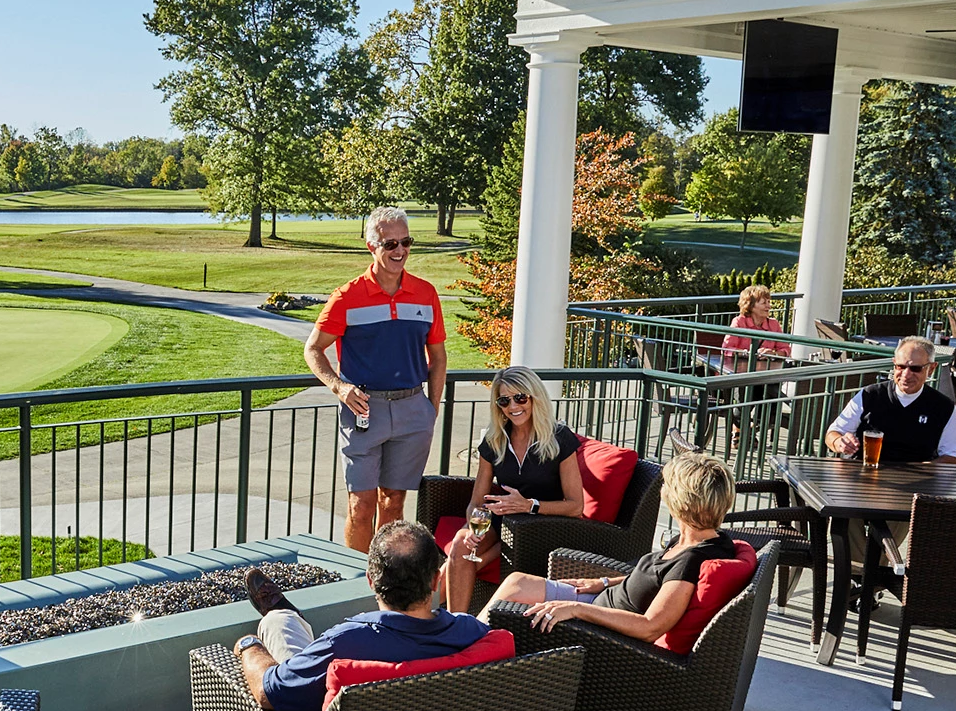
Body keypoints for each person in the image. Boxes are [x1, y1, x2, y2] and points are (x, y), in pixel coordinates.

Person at [477, 452, 739, 646]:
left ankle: (470, 653)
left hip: (602, 627)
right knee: (517, 583)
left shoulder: (692, 559)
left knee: (511, 598)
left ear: (680, 502)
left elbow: (650, 627)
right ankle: (471, 642)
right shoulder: (697, 538)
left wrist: (576, 609)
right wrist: (603, 582)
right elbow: (658, 581)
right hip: (601, 599)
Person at [233, 522, 487, 711]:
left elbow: (268, 693)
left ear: (370, 581)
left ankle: (280, 617)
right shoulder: (472, 633)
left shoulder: (345, 644)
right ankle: (284, 617)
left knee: (277, 625)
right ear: (435, 580)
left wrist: (249, 645)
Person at [306, 206, 447, 553]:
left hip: (413, 410)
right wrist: (339, 386)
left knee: (394, 504)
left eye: (406, 242)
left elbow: (439, 357)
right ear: (371, 247)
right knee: (361, 505)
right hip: (364, 412)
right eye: (390, 244)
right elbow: (313, 350)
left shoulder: (426, 294)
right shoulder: (346, 297)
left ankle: (384, 583)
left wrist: (431, 408)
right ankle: (355, 586)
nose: (399, 251)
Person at [438, 367, 586, 612]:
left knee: (461, 560)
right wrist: (474, 525)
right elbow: (476, 501)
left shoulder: (558, 437)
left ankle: (431, 616)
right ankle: (459, 623)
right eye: (504, 400)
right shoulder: (495, 440)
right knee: (461, 544)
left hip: (544, 522)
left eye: (520, 397)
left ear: (534, 397)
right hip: (503, 519)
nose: (513, 406)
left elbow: (575, 505)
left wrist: (529, 505)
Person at [824, 335, 956, 464]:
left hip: (918, 484)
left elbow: (953, 457)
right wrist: (839, 443)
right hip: (864, 476)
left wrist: (920, 471)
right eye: (901, 367)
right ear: (894, 364)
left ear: (931, 369)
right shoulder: (870, 395)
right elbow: (833, 433)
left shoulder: (943, 407)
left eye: (915, 368)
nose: (906, 374)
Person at [718, 284, 790, 374]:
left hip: (766, 373)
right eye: (764, 303)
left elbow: (785, 350)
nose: (769, 306)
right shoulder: (739, 322)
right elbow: (727, 349)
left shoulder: (774, 324)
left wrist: (773, 354)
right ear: (751, 306)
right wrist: (748, 353)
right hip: (741, 372)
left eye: (769, 302)